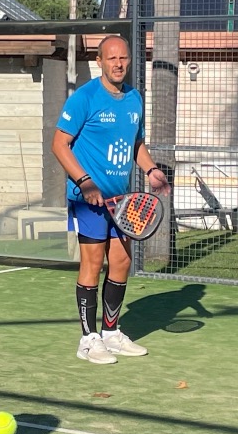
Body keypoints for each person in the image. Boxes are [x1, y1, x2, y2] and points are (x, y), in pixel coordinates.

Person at [51, 34, 170, 365]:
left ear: (129, 61)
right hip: (87, 197)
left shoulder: (134, 100)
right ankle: (88, 341)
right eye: (112, 58)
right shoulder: (84, 98)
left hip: (121, 200)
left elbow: (136, 145)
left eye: (124, 58)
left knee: (121, 262)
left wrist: (151, 171)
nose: (119, 64)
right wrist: (85, 182)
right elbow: (59, 144)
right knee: (92, 262)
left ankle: (111, 334)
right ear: (100, 62)